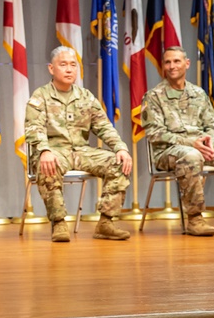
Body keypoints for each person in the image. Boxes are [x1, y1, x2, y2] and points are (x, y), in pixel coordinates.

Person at [141, 46, 214, 236]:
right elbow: (155, 133)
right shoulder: (154, 97)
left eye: (176, 61)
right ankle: (195, 219)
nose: (172, 66)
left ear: (187, 64)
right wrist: (191, 143)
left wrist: (209, 141)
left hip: (202, 148)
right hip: (168, 152)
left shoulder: (198, 93)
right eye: (167, 62)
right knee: (191, 155)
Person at [25, 46, 133, 242]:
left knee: (120, 163)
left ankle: (106, 223)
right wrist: (44, 151)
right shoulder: (40, 96)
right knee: (49, 165)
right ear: (51, 68)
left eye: (73, 65)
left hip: (81, 152)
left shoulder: (86, 96)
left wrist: (121, 148)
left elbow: (104, 127)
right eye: (63, 64)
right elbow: (34, 128)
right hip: (54, 151)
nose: (69, 69)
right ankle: (59, 223)